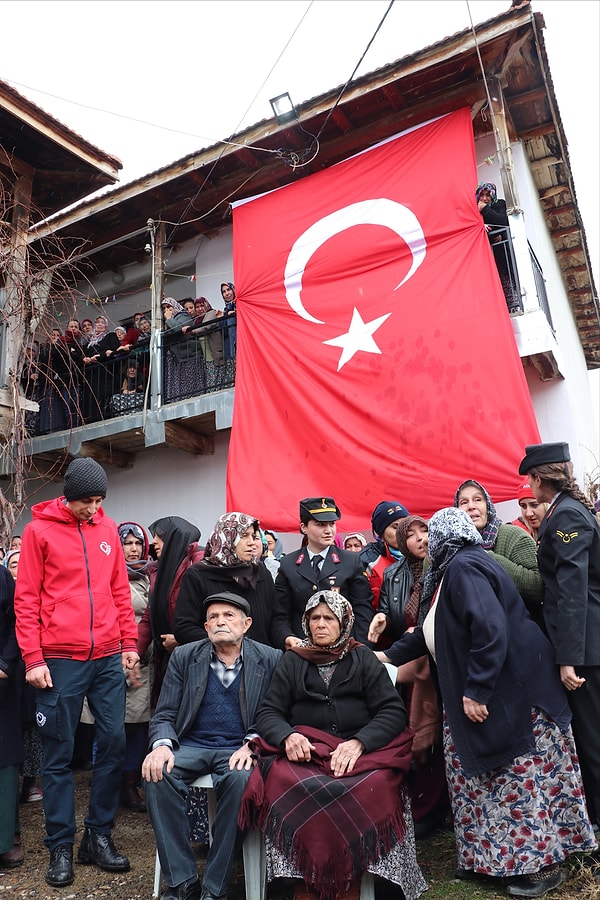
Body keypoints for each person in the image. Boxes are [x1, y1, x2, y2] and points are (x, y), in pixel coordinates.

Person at [378, 507, 597, 897]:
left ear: (448, 537)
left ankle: (539, 868)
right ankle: (489, 860)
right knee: (479, 781)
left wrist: (476, 690)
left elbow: (491, 630)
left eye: (432, 536)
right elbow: (431, 630)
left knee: (520, 780)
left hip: (514, 694)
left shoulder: (464, 568)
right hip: (498, 692)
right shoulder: (451, 572)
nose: (426, 544)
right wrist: (387, 656)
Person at [241, 589, 427, 900]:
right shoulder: (292, 661)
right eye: (315, 618)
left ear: (344, 623)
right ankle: (309, 875)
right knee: (283, 780)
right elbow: (269, 711)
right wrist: (288, 736)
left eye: (329, 618)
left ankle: (349, 873)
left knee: (377, 783)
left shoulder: (362, 657)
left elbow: (392, 710)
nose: (321, 624)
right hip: (310, 752)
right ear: (306, 622)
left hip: (359, 750)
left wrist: (360, 742)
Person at [13, 458, 139, 888]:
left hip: (107, 656)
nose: (94, 508)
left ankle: (98, 837)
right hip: (60, 659)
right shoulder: (38, 532)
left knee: (115, 742)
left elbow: (120, 591)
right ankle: (61, 846)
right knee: (59, 753)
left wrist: (130, 645)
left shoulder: (107, 531)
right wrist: (33, 658)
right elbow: (26, 599)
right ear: (69, 496)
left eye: (100, 500)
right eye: (87, 500)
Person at [142, 591, 282, 900]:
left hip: (239, 747)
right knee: (156, 773)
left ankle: (216, 887)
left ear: (246, 624)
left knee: (240, 781)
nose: (220, 622)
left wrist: (253, 743)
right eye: (214, 618)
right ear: (205, 628)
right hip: (191, 744)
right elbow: (164, 712)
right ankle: (182, 883)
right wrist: (162, 745)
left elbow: (277, 713)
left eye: (228, 616)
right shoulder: (185, 656)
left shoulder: (270, 658)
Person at [519, 441, 600, 832]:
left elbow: (572, 593)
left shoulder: (566, 517)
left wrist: (568, 657)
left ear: (537, 479)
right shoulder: (567, 511)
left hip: (586, 646)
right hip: (587, 641)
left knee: (592, 735)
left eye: (528, 481)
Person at [368, 515, 449, 838]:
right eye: (411, 534)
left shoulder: (442, 567)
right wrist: (381, 620)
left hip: (438, 661)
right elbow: (390, 611)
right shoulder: (393, 573)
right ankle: (424, 808)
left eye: (424, 530)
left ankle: (436, 807)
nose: (420, 538)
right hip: (411, 661)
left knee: (438, 734)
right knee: (418, 738)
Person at [272, 497, 373, 649]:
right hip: (303, 649)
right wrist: (287, 637)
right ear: (304, 527)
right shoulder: (288, 564)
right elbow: (280, 614)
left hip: (343, 649)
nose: (328, 530)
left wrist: (360, 649)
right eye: (320, 524)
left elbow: (362, 611)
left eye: (332, 524)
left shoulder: (351, 562)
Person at [173, 512, 277, 648]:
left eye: (253, 536)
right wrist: (227, 645)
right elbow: (184, 627)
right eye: (244, 536)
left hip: (262, 663)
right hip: (215, 664)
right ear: (227, 537)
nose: (252, 543)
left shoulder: (260, 571)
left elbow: (275, 619)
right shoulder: (198, 575)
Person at [454, 479, 544, 625]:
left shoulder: (513, 536)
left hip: (515, 635)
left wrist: (485, 556)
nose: (471, 506)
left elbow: (537, 588)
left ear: (488, 505)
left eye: (478, 499)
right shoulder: (452, 548)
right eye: (463, 502)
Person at [137, 516, 203, 709]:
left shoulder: (198, 567)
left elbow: (208, 616)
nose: (154, 542)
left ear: (175, 538)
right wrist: (133, 652)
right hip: (166, 655)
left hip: (194, 657)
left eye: (159, 536)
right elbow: (150, 617)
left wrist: (182, 640)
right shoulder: (161, 570)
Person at [117, 521, 153, 812]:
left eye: (137, 543)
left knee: (140, 725)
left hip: (148, 662)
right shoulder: (111, 575)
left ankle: (130, 782)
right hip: (122, 659)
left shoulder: (150, 574)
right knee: (118, 726)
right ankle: (118, 784)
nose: (133, 549)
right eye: (127, 543)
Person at [0, 564, 25, 870]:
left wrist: (5, 663)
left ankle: (5, 838)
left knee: (4, 761)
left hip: (0, 680)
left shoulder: (2, 576)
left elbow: (16, 623)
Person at [476, 181, 520, 313]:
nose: (484, 198)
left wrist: (485, 210)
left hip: (502, 253)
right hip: (485, 254)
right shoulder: (475, 211)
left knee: (507, 278)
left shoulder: (499, 204)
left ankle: (513, 306)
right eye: (482, 195)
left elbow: (504, 221)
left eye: (488, 195)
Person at [360, 500, 410, 612]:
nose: (403, 531)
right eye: (396, 527)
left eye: (406, 525)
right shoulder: (366, 561)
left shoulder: (422, 554)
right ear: (381, 533)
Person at [161, 298, 205, 402]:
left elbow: (177, 329)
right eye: (164, 308)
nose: (166, 310)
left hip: (189, 355)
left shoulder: (184, 316)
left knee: (190, 382)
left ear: (175, 306)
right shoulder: (170, 319)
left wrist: (169, 319)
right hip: (178, 357)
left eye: (168, 307)